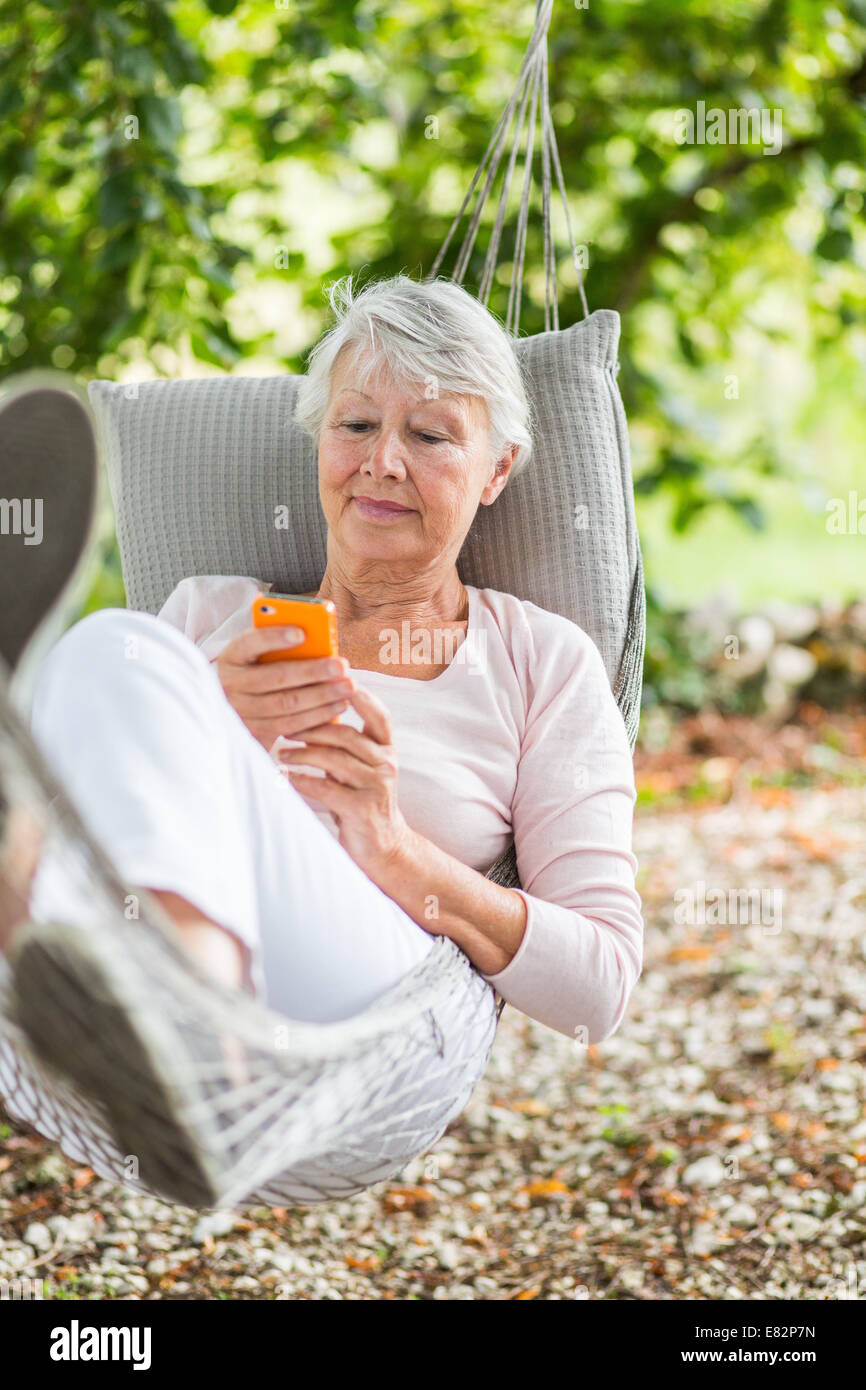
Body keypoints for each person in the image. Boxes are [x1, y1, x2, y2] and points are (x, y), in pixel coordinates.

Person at [0, 274, 642, 1197]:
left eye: (429, 435)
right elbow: (104, 825)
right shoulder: (211, 616)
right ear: (318, 442)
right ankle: (151, 991)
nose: (383, 462)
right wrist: (211, 719)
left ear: (496, 471)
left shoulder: (542, 664)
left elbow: (600, 989)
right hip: (118, 958)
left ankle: (188, 1019)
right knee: (118, 647)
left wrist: (389, 846)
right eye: (355, 427)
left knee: (134, 663)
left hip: (366, 1017)